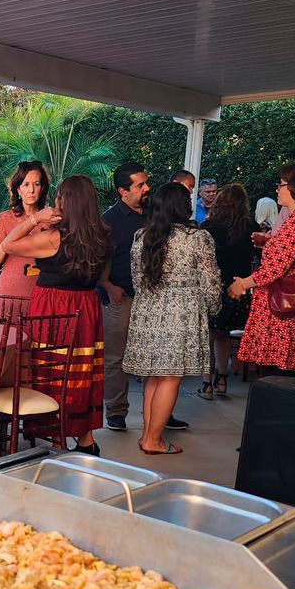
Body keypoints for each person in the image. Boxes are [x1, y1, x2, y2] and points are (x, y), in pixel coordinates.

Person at [0, 175, 111, 454]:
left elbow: (8, 245)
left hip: (53, 306)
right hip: (87, 306)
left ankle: (52, 429)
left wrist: (34, 220)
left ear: (66, 202)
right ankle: (85, 438)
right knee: (82, 370)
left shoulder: (54, 237)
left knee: (50, 369)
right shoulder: (103, 236)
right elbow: (104, 275)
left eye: (59, 196)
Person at [123, 184, 221, 455]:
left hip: (148, 308)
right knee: (170, 377)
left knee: (154, 377)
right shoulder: (197, 238)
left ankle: (147, 435)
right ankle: (153, 440)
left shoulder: (141, 236)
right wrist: (213, 308)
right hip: (182, 310)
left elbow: (136, 280)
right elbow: (211, 281)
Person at [100, 162, 188, 432]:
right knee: (116, 358)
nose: (147, 188)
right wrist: (107, 285)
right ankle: (116, 411)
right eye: (140, 185)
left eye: (146, 182)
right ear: (122, 190)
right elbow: (97, 258)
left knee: (159, 355)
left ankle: (159, 412)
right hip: (120, 297)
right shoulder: (109, 220)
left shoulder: (156, 214)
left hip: (154, 299)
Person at [229, 164, 295, 376]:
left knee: (279, 375)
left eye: (282, 184)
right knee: (292, 376)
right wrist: (269, 245)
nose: (277, 188)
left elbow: (274, 269)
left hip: (285, 312)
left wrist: (241, 284)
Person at [198, 183, 256, 398]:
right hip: (238, 287)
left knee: (208, 336)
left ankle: (207, 384)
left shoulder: (209, 227)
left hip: (213, 286)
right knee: (224, 335)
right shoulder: (251, 226)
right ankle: (222, 380)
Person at [0, 161, 50, 301]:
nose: (31, 190)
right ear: (18, 190)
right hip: (9, 295)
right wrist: (8, 244)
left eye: (36, 184)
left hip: (44, 296)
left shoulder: (51, 220)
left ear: (42, 188)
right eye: (26, 184)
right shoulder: (5, 218)